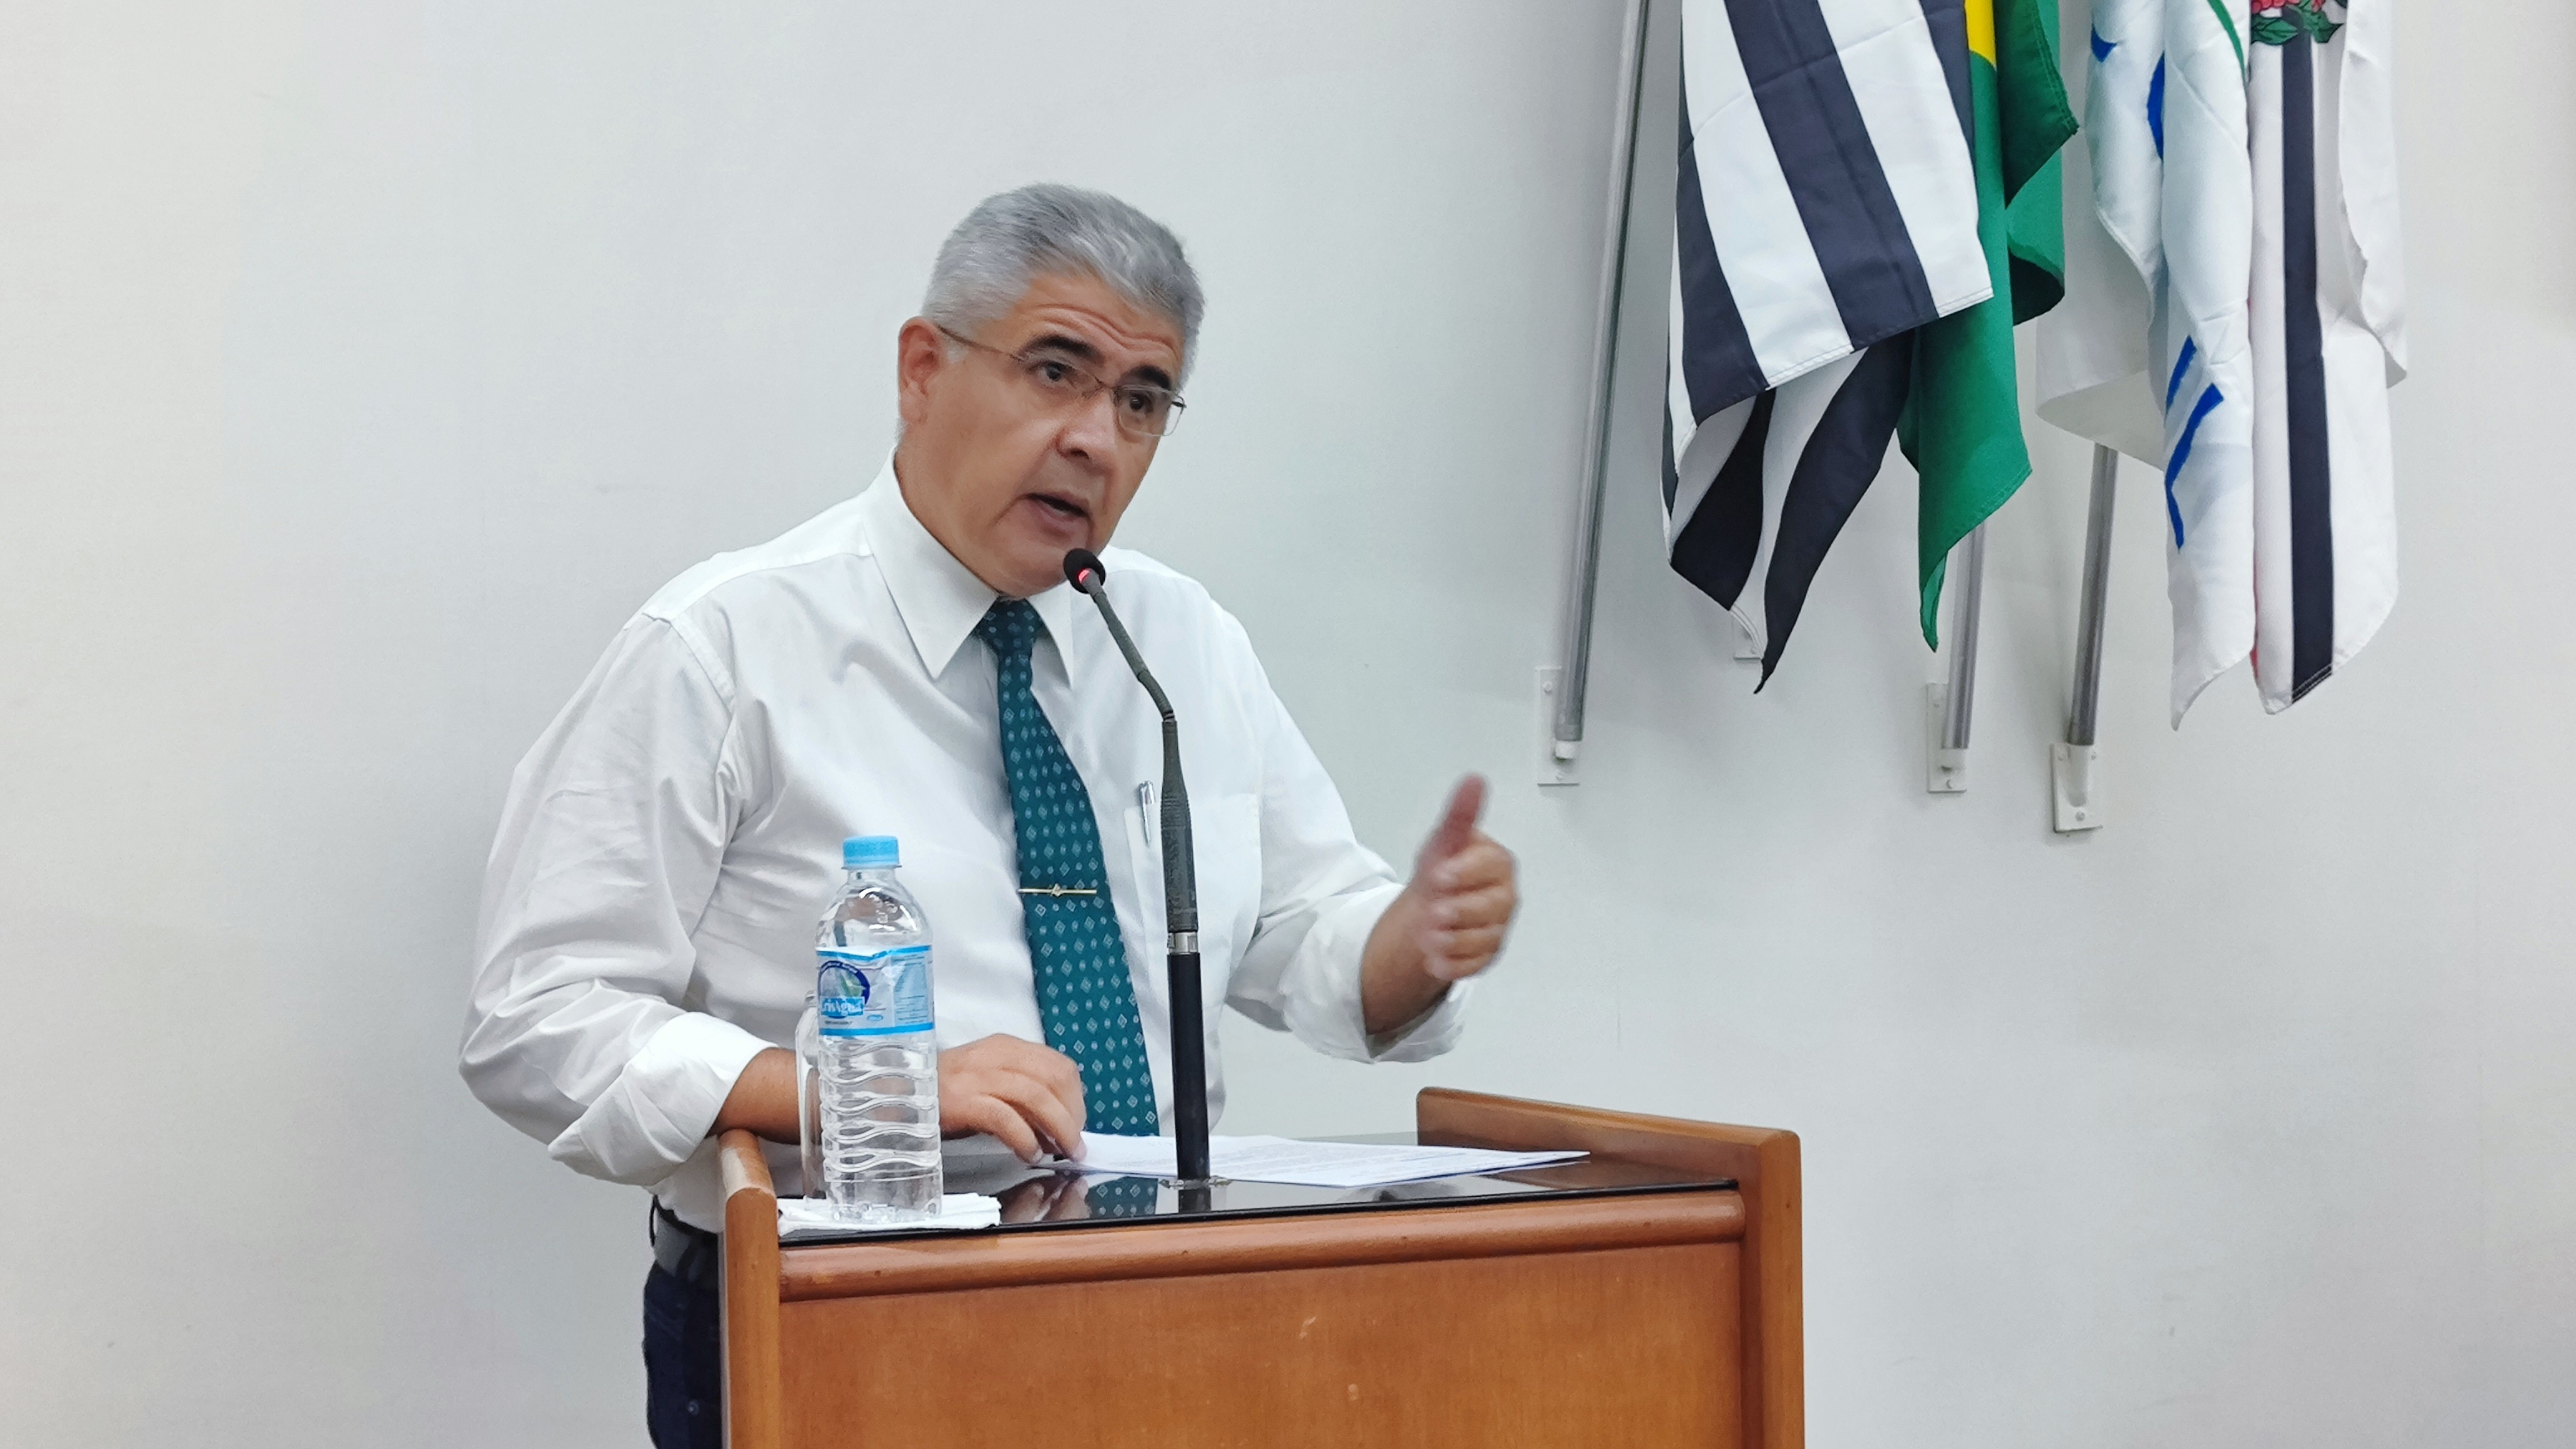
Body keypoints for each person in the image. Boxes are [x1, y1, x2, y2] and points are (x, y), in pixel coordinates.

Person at [459, 183, 1520, 1446]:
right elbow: (538, 1015)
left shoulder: (1179, 645)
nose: (1096, 439)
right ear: (923, 370)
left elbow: (1304, 939)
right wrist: (864, 1092)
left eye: (1142, 400)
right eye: (1056, 371)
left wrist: (1416, 942)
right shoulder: (723, 647)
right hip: (836, 1318)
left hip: (1164, 1304)